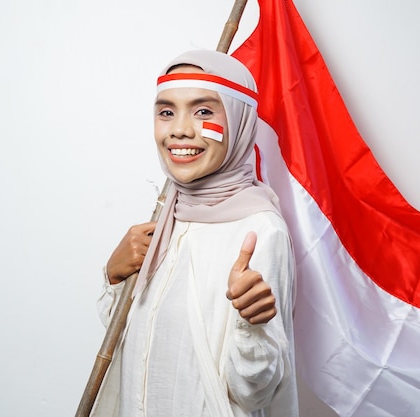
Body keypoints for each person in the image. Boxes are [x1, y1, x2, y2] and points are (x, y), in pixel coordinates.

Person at [91, 49, 298, 417]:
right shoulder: (168, 214)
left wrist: (254, 328)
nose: (180, 129)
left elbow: (254, 395)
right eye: (166, 112)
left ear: (238, 122)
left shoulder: (259, 230)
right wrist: (114, 278)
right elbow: (139, 343)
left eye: (204, 111)